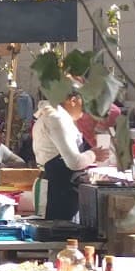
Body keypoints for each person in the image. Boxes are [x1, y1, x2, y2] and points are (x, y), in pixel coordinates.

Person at [31, 84, 109, 221]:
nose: (85, 109)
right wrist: (93, 154)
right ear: (72, 100)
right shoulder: (56, 118)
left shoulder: (59, 117)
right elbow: (74, 162)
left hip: (63, 188)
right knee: (57, 238)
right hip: (55, 191)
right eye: (84, 101)